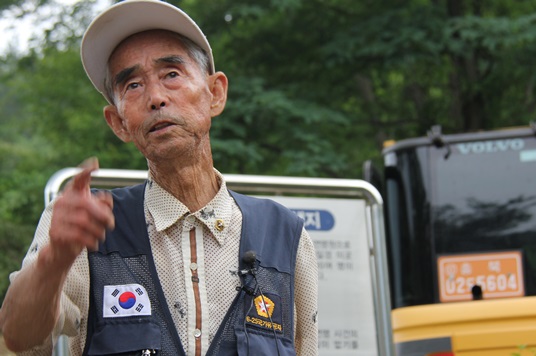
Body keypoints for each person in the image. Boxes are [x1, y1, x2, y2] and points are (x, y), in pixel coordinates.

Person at [0, 0, 319, 355]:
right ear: (118, 122)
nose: (155, 97)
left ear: (215, 93)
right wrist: (54, 259)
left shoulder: (285, 235)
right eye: (132, 85)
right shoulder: (85, 226)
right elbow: (18, 337)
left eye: (171, 74)